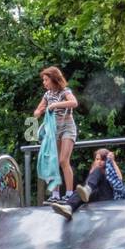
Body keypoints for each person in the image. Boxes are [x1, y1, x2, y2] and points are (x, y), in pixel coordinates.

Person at [32, 67, 80, 202]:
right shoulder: (47, 95)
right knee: (54, 162)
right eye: (43, 80)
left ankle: (70, 193)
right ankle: (55, 195)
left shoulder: (65, 91)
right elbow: (38, 109)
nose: (44, 83)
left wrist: (55, 105)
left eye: (46, 80)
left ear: (54, 79)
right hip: (54, 130)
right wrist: (38, 112)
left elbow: (74, 102)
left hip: (67, 127)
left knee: (63, 160)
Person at [50, 148, 125, 220]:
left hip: (106, 195)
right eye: (97, 159)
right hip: (94, 195)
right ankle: (69, 207)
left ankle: (87, 190)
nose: (99, 162)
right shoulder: (94, 171)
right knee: (80, 190)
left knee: (95, 176)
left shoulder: (109, 170)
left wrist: (112, 162)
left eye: (103, 160)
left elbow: (119, 179)